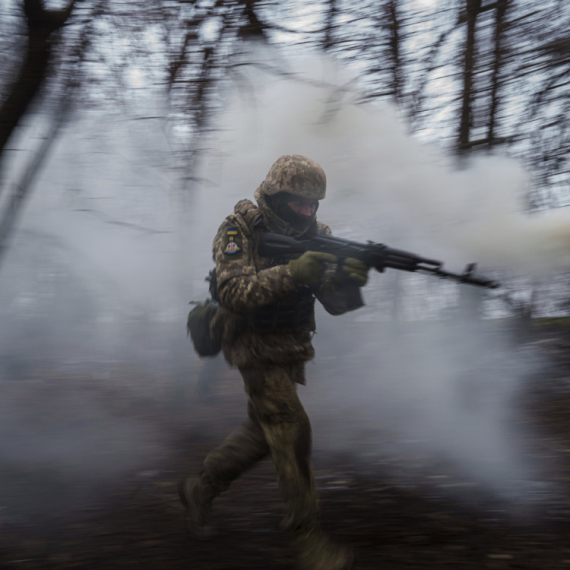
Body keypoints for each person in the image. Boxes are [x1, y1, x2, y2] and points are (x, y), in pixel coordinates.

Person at [179, 154, 369, 570]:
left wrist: (349, 281)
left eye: (314, 204)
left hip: (289, 346)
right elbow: (233, 293)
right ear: (277, 196)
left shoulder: (318, 234)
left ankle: (202, 488)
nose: (309, 211)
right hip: (249, 341)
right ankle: (306, 535)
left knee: (264, 432)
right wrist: (294, 273)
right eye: (300, 203)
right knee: (290, 426)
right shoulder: (239, 228)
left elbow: (335, 305)